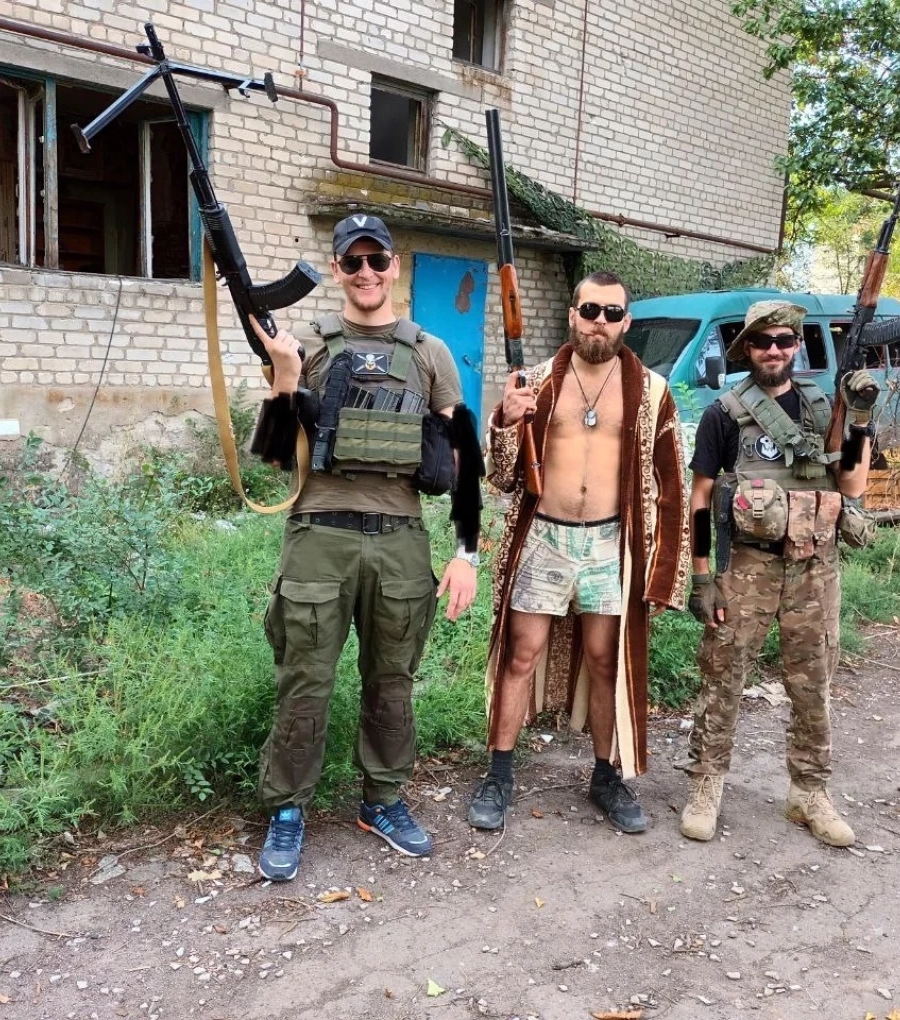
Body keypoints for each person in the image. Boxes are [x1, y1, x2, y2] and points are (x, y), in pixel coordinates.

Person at [246, 214, 484, 881]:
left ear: (396, 265)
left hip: (399, 542)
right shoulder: (308, 347)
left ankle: (381, 800)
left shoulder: (431, 353)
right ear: (339, 269)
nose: (367, 273)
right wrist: (285, 376)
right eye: (353, 263)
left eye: (377, 260)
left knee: (392, 684)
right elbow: (270, 458)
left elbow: (462, 464)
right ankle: (288, 809)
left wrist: (467, 552)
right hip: (319, 537)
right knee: (305, 684)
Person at [467, 270, 690, 834]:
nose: (601, 322)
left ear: (627, 322)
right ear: (572, 314)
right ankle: (499, 774)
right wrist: (504, 422)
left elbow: (671, 486)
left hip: (612, 543)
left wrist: (666, 572)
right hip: (543, 534)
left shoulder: (654, 393)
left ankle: (605, 776)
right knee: (522, 654)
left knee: (604, 659)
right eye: (591, 310)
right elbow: (500, 478)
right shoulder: (536, 382)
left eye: (613, 313)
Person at [680, 300, 879, 847]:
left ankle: (808, 792)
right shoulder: (725, 413)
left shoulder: (821, 406)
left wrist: (858, 417)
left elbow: (853, 487)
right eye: (763, 341)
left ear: (797, 347)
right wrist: (703, 576)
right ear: (747, 348)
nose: (774, 350)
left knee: (813, 683)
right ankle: (707, 783)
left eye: (785, 341)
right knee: (723, 675)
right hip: (748, 565)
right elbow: (700, 498)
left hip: (816, 566)